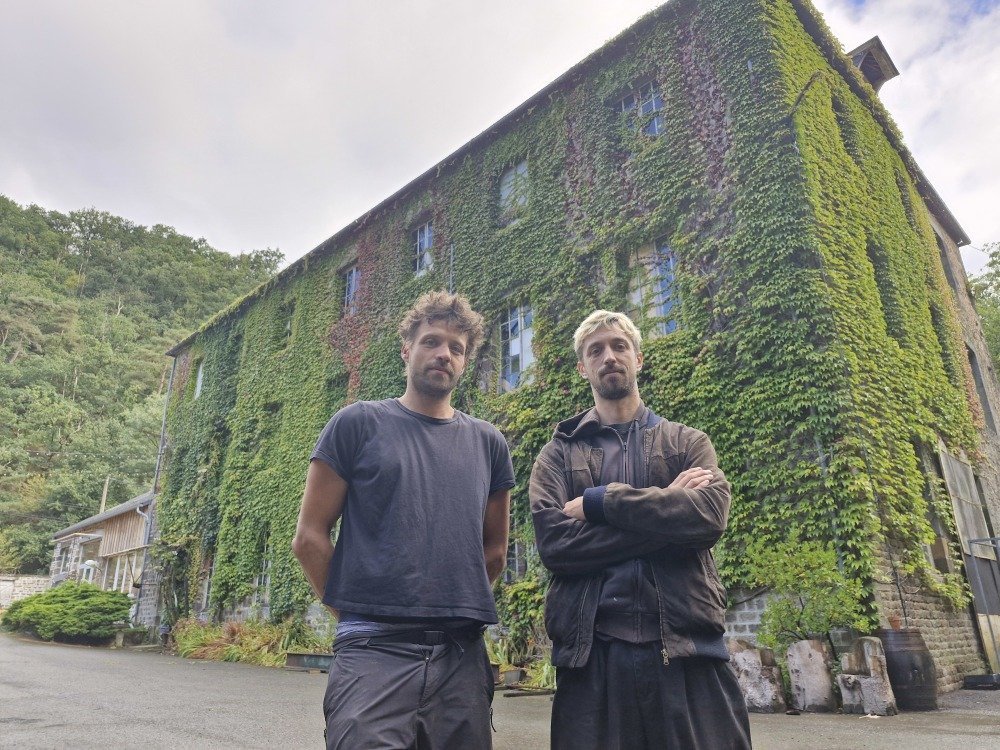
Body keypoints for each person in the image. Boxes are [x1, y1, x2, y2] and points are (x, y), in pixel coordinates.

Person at [293, 291, 514, 750]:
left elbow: (494, 550)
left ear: (465, 362)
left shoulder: (489, 443)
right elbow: (309, 537)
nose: (443, 354)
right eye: (431, 341)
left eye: (457, 348)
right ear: (406, 349)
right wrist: (350, 608)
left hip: (461, 656)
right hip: (373, 651)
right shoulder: (356, 424)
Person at [529, 310, 751, 750]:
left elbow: (708, 516)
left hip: (686, 651)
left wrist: (602, 502)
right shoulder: (558, 455)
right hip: (593, 657)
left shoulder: (687, 442)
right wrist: (669, 505)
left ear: (638, 358)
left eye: (619, 346)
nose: (609, 356)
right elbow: (556, 546)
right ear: (583, 367)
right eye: (596, 350)